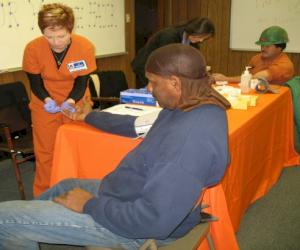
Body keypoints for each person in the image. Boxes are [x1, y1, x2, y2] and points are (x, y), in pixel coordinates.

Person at [0, 44, 230, 249]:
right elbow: (137, 125)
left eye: (153, 82)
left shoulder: (187, 142)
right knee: (65, 186)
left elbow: (153, 220)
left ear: (175, 83)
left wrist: (90, 205)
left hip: (136, 227)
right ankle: (27, 224)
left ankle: (15, 225)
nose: (149, 88)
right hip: (130, 193)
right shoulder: (194, 105)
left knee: (3, 219)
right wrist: (89, 117)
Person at [22, 3, 97, 196]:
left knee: (76, 148)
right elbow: (35, 82)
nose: (55, 42)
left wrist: (70, 101)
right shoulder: (33, 48)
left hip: (76, 101)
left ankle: (77, 192)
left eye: (61, 36)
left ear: (70, 30)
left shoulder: (84, 46)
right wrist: (47, 100)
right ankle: (44, 195)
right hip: (44, 102)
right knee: (46, 152)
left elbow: (82, 82)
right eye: (49, 36)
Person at [131, 17, 215, 88]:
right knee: (154, 95)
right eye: (200, 37)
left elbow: (192, 60)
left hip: (162, 69)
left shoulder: (193, 41)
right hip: (147, 67)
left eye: (204, 39)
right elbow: (166, 61)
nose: (201, 40)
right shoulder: (169, 35)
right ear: (194, 30)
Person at [212, 26, 294, 85]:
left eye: (267, 46)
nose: (263, 48)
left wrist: (225, 79)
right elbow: (245, 76)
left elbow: (255, 78)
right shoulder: (256, 58)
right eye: (262, 45)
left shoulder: (285, 65)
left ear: (279, 47)